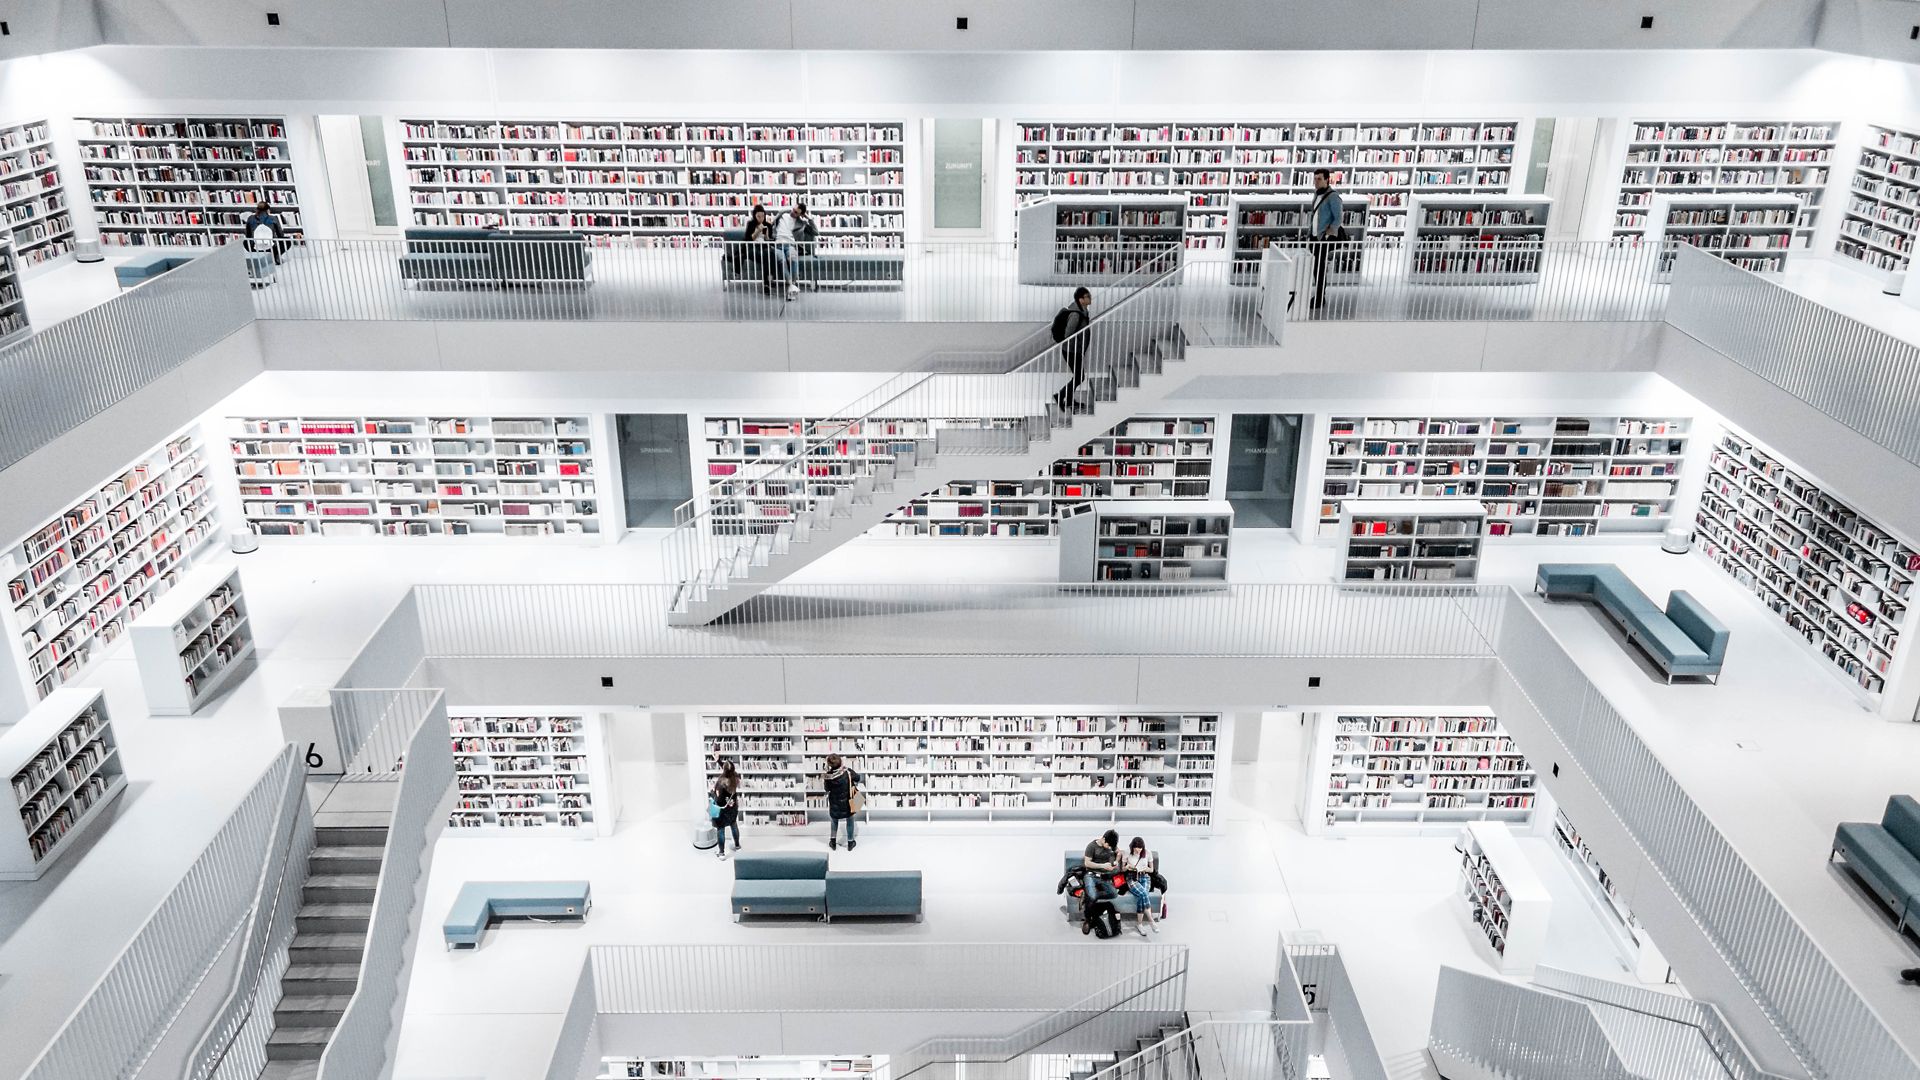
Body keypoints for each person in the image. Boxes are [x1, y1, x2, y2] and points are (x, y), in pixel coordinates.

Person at [1049, 287, 1093, 414]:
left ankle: (1068, 400)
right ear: (1081, 299)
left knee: (1078, 376)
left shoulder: (1082, 311)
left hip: (1075, 350)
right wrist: (1078, 343)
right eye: (1087, 296)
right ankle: (1060, 395)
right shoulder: (1075, 314)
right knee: (1080, 377)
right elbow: (1068, 334)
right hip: (1072, 351)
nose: (1090, 297)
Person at [1308, 168, 1344, 310]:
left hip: (1323, 238)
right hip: (1315, 237)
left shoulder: (1333, 197)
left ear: (1327, 180)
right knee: (1317, 268)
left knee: (1320, 268)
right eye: (1315, 179)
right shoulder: (1317, 194)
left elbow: (1338, 218)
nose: (1316, 182)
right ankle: (1318, 295)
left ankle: (1319, 297)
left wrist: (1328, 234)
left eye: (1319, 179)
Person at [774, 203, 816, 301]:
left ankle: (791, 286)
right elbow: (771, 224)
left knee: (793, 259)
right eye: (793, 209)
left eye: (796, 212)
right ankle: (791, 286)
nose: (793, 212)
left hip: (790, 246)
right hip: (777, 245)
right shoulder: (782, 215)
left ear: (800, 215)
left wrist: (808, 218)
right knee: (782, 260)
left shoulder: (801, 223)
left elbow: (815, 232)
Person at [823, 752, 864, 850]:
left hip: (834, 803)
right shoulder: (848, 772)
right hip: (848, 802)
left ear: (829, 765)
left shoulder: (828, 776)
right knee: (850, 820)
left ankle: (833, 842)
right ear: (841, 762)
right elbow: (858, 778)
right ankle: (850, 843)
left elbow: (827, 789)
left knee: (834, 820)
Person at [743, 204, 778, 295]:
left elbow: (768, 240)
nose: (761, 218)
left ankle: (767, 282)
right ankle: (768, 281)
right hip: (752, 247)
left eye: (763, 216)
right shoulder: (750, 224)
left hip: (763, 246)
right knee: (765, 255)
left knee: (769, 253)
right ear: (754, 216)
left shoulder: (768, 225)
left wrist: (766, 236)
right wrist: (757, 231)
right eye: (758, 216)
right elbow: (748, 239)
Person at [711, 761, 741, 859]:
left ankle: (721, 853)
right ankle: (737, 846)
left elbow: (719, 801)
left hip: (722, 811)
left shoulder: (721, 783)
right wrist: (718, 760)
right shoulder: (736, 777)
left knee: (720, 830)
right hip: (733, 808)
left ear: (724, 771)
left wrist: (712, 792)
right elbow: (728, 771)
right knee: (734, 825)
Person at [1081, 828, 1120, 903]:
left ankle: (1087, 895)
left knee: (1114, 894)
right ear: (1103, 839)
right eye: (1108, 845)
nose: (1109, 848)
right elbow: (1087, 863)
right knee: (1092, 896)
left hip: (1104, 877)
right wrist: (1103, 866)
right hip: (1091, 875)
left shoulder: (1111, 845)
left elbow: (1119, 853)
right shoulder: (1091, 846)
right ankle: (1091, 897)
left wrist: (1116, 861)